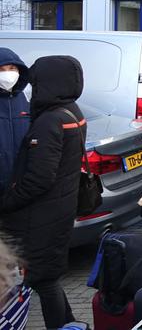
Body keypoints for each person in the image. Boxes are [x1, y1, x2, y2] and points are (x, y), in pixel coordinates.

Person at [0, 56, 84, 328]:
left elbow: (39, 177)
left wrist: (8, 201)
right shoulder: (72, 112)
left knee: (42, 279)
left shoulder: (50, 121)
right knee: (47, 277)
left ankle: (62, 325)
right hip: (60, 208)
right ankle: (67, 324)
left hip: (41, 214)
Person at [0, 48, 29, 189]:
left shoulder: (27, 100)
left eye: (12, 68)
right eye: (1, 69)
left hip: (21, 186)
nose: (7, 74)